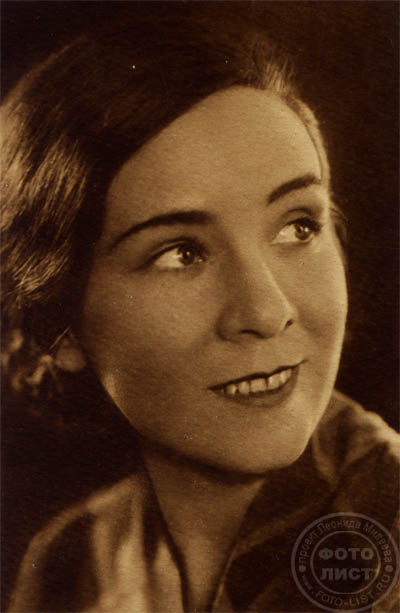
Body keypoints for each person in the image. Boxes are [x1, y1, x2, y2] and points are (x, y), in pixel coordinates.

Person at [2, 5, 399, 612]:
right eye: (181, 253)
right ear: (61, 326)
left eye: (298, 227)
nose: (266, 311)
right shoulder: (73, 564)